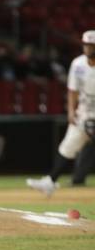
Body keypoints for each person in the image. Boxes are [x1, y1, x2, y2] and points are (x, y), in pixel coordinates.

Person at [27, 30, 95, 197]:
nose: (87, 48)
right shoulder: (78, 64)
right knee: (67, 146)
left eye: (91, 45)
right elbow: (72, 91)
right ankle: (50, 182)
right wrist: (71, 111)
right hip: (84, 113)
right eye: (85, 45)